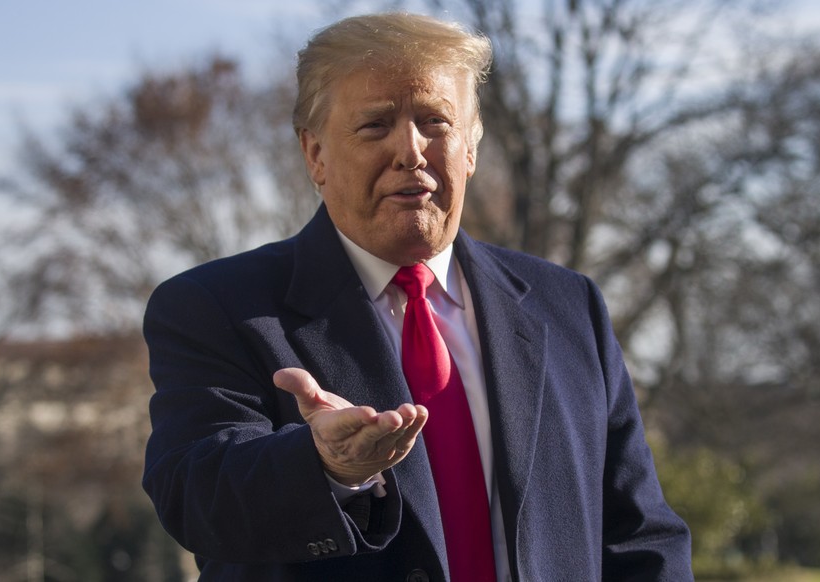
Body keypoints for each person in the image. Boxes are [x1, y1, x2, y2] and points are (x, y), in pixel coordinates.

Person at [142, 12, 693, 582]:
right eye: (375, 126)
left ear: (472, 146)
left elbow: (640, 537)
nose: (411, 150)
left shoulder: (568, 305)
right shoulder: (216, 307)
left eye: (435, 121)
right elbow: (194, 493)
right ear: (315, 155)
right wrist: (326, 467)